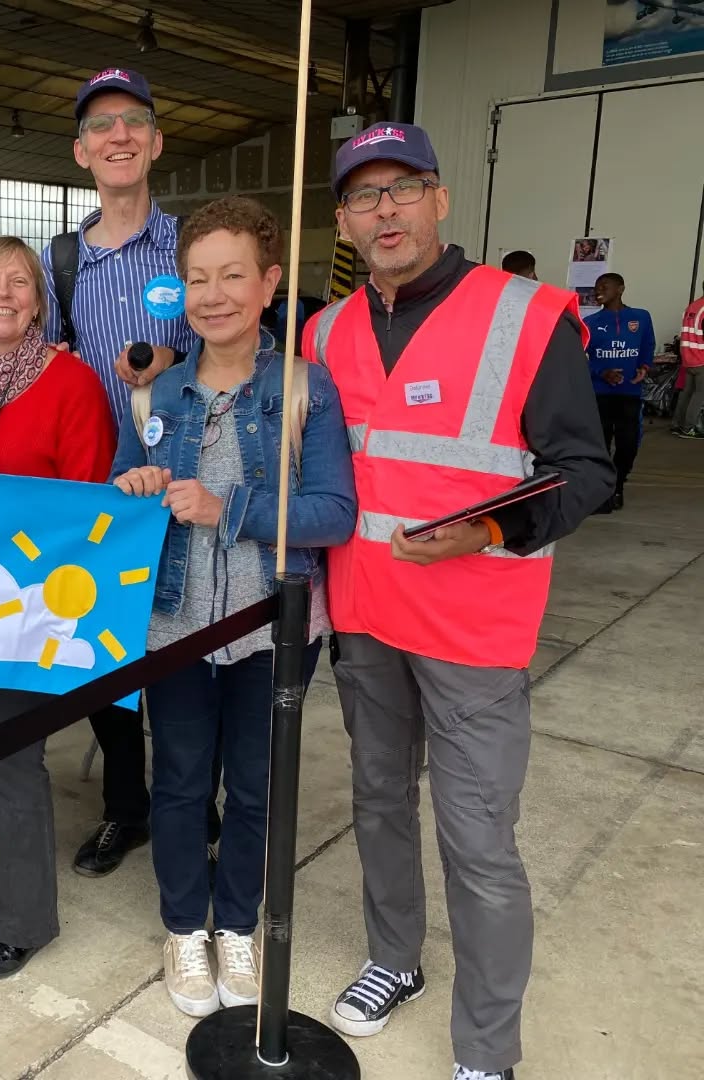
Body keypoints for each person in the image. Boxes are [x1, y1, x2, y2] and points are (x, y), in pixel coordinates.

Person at [303, 121, 613, 1080]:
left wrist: (479, 531)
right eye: (364, 195)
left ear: (440, 199)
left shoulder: (526, 315)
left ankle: (487, 1049)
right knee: (378, 803)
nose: (384, 209)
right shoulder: (324, 330)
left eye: (403, 188)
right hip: (363, 618)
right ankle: (394, 959)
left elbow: (582, 472)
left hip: (475, 629)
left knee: (478, 839)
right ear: (346, 219)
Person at [112, 196, 356, 1019]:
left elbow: (335, 513)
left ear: (270, 281)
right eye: (197, 278)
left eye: (233, 276)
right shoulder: (156, 397)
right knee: (180, 783)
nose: (213, 295)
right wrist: (135, 485)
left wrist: (232, 509)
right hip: (175, 624)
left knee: (254, 787)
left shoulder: (303, 390)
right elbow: (119, 501)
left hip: (274, 632)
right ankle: (184, 928)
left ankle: (235, 925)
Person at [0, 235, 116, 980]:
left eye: (20, 281)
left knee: (12, 757)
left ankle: (25, 919)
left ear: (40, 302)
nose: (3, 292)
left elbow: (88, 500)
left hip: (36, 604)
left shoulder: (71, 382)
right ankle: (11, 858)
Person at [42, 66, 199, 879]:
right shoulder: (60, 260)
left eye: (134, 120)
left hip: (187, 482)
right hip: (95, 486)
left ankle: (188, 800)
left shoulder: (195, 247)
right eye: (101, 126)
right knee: (102, 654)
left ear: (156, 141)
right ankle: (127, 807)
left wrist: (177, 355)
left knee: (182, 651)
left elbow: (242, 340)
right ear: (81, 151)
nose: (119, 136)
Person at [587, 272, 654, 512]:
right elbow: (580, 358)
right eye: (596, 287)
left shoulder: (641, 318)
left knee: (628, 445)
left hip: (629, 393)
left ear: (621, 289)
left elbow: (647, 346)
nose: (598, 290)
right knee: (600, 445)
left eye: (604, 286)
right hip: (600, 394)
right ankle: (604, 492)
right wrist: (601, 372)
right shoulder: (590, 323)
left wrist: (644, 367)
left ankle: (618, 484)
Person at [672, 281, 704, 438]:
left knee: (687, 393)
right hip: (702, 359)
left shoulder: (692, 307)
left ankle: (677, 425)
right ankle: (688, 428)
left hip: (689, 359)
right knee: (700, 395)